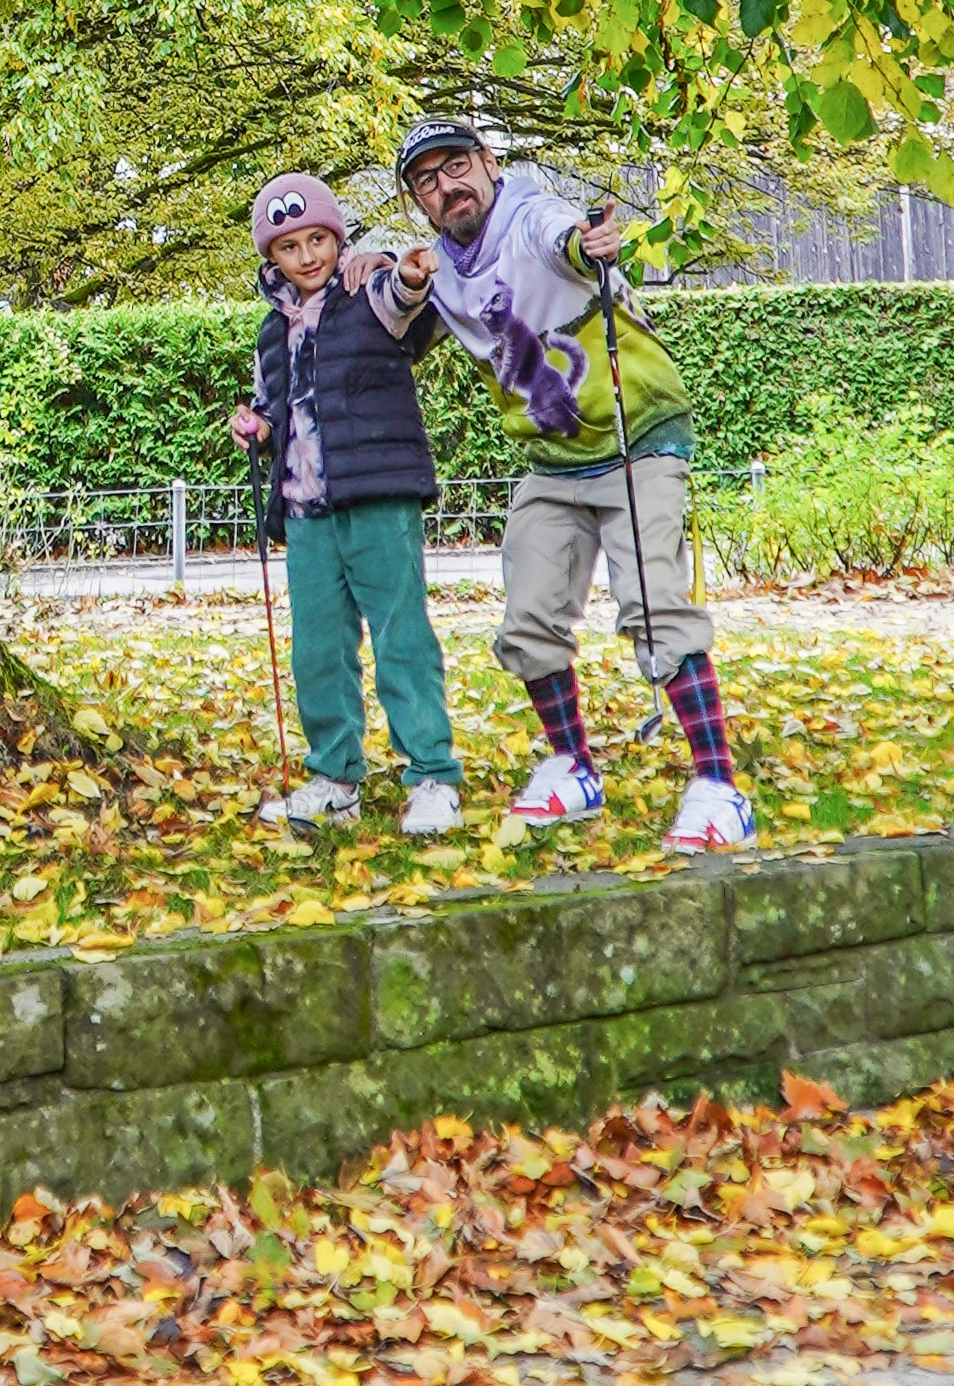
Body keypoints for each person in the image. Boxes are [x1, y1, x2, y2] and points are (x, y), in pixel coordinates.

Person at [387, 115, 753, 853]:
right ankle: (573, 767)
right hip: (552, 463)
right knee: (527, 620)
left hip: (636, 438)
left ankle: (719, 787)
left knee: (653, 603)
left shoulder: (529, 216)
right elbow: (392, 316)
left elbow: (565, 239)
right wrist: (381, 272)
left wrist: (589, 246)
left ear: (489, 163)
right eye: (426, 180)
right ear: (417, 202)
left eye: (456, 166)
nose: (447, 186)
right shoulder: (440, 271)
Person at [228, 174, 465, 837]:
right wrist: (256, 427)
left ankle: (433, 776)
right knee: (318, 648)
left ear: (336, 239)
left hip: (377, 495)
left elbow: (405, 299)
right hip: (305, 510)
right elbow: (273, 408)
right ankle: (334, 779)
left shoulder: (366, 291)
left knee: (400, 636)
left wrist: (405, 271)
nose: (306, 256)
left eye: (317, 240)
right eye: (288, 247)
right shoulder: (270, 332)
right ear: (271, 257)